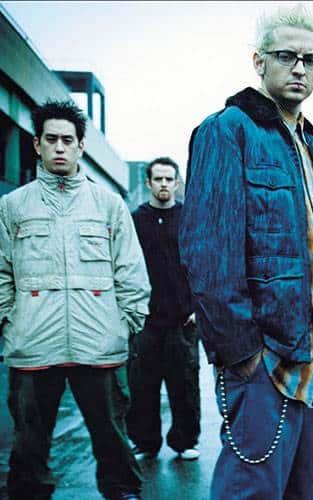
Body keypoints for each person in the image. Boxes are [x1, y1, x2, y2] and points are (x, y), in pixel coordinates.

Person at [178, 5, 313, 499]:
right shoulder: (227, 130)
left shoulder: (308, 143)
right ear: (259, 61)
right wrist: (242, 353)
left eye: (311, 60)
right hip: (266, 362)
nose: (299, 68)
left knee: (301, 492)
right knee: (250, 492)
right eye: (286, 56)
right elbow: (208, 254)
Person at [0, 100, 150, 500]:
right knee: (29, 444)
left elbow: (132, 274)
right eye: (51, 139)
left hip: (99, 347)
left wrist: (123, 324)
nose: (59, 147)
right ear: (36, 144)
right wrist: (9, 323)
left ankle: (123, 492)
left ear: (80, 146)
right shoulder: (13, 207)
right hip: (34, 347)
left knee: (113, 438)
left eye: (67, 140)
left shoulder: (108, 206)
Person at [127, 157, 200, 461]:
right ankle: (145, 442)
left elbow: (200, 262)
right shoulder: (135, 220)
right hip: (145, 319)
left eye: (169, 179)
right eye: (158, 179)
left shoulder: (189, 217)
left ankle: (185, 441)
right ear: (148, 183)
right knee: (142, 385)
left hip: (183, 319)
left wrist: (197, 305)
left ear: (177, 182)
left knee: (185, 383)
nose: (164, 184)